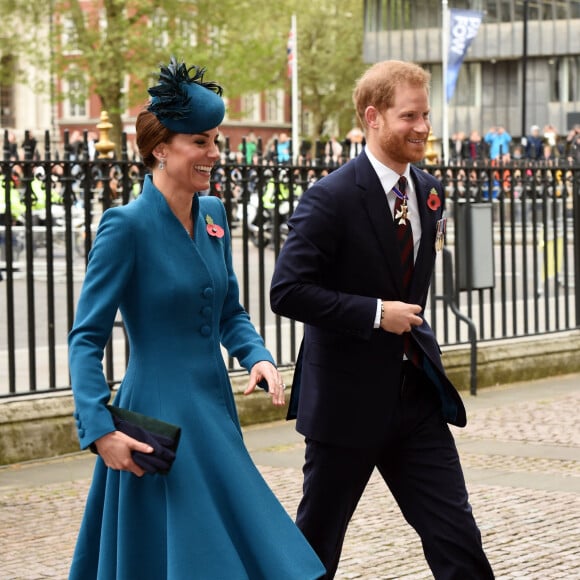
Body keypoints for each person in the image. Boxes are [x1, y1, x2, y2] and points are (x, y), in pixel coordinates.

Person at [68, 56, 325, 580]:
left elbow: (228, 306)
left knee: (232, 539)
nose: (214, 153)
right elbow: (86, 337)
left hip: (213, 407)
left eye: (215, 140)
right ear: (161, 148)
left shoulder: (214, 215)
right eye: (200, 142)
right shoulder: (125, 227)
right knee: (196, 549)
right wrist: (99, 430)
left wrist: (255, 355)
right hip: (159, 415)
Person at [270, 59, 494, 579]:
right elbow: (288, 291)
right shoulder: (329, 198)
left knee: (457, 537)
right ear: (373, 117)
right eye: (409, 116)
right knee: (316, 549)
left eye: (426, 115)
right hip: (345, 407)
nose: (423, 128)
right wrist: (374, 315)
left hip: (415, 399)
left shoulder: (429, 192)